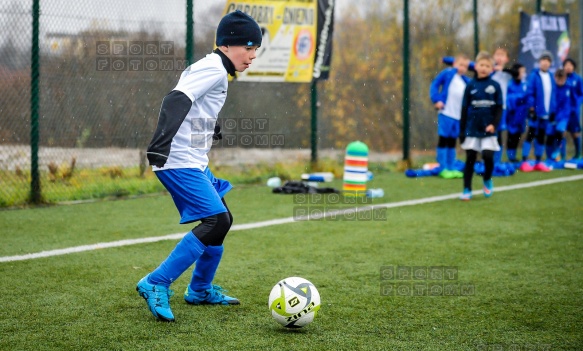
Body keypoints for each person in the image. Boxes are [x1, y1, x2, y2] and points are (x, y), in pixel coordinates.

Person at [136, 10, 262, 322]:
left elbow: (195, 103)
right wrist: (159, 144)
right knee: (216, 221)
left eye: (256, 49)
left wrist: (210, 126)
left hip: (192, 161)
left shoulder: (214, 68)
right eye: (249, 48)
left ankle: (199, 290)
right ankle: (156, 282)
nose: (252, 56)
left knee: (223, 220)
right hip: (177, 162)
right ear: (229, 45)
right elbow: (176, 99)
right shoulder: (215, 70)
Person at [459, 51, 503, 201]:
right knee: (470, 158)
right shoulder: (470, 85)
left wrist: (494, 125)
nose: (484, 68)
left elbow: (499, 108)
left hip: (488, 128)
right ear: (476, 66)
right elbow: (464, 109)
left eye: (487, 65)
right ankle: (467, 188)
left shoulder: (495, 86)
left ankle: (487, 178)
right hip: (472, 128)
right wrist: (462, 130)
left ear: (492, 69)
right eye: (481, 65)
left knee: (487, 156)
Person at [429, 53, 471, 179]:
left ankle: (451, 166)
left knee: (453, 141)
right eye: (460, 64)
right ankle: (443, 167)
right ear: (454, 63)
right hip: (446, 112)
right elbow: (434, 85)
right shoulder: (447, 73)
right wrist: (436, 99)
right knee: (444, 139)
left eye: (465, 66)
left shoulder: (466, 81)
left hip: (458, 116)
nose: (462, 68)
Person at [519, 50, 556, 172]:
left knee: (541, 137)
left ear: (550, 63)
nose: (545, 63)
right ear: (539, 62)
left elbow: (553, 95)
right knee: (530, 135)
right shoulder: (534, 76)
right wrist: (531, 108)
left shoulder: (551, 76)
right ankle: (524, 161)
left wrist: (552, 111)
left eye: (548, 60)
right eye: (543, 60)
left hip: (546, 113)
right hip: (535, 113)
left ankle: (538, 162)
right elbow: (530, 93)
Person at [491, 47, 512, 164]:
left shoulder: (507, 74)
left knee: (497, 133)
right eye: (497, 54)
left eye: (502, 55)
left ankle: (497, 161)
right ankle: (486, 159)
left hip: (500, 108)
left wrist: (502, 69)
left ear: (507, 59)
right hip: (487, 108)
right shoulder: (488, 71)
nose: (499, 57)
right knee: (487, 134)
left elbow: (516, 72)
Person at [505, 63, 529, 163]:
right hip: (513, 115)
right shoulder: (510, 84)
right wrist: (520, 98)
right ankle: (510, 157)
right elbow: (510, 98)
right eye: (522, 71)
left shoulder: (525, 84)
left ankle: (513, 156)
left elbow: (527, 97)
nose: (524, 74)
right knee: (511, 135)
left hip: (522, 114)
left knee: (518, 135)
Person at [546, 69, 571, 160]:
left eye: (562, 80)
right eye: (558, 79)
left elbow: (566, 106)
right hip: (551, 115)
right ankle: (549, 157)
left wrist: (560, 117)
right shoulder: (551, 87)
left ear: (565, 78)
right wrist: (551, 114)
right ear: (555, 78)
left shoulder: (567, 88)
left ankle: (560, 154)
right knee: (549, 135)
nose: (560, 82)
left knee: (560, 132)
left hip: (563, 116)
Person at [563, 58, 583, 159]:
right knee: (562, 132)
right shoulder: (562, 78)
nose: (568, 67)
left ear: (573, 67)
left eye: (570, 65)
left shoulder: (578, 79)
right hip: (563, 111)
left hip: (574, 111)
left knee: (575, 133)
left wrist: (577, 104)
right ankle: (562, 156)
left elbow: (581, 94)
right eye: (566, 65)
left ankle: (577, 154)